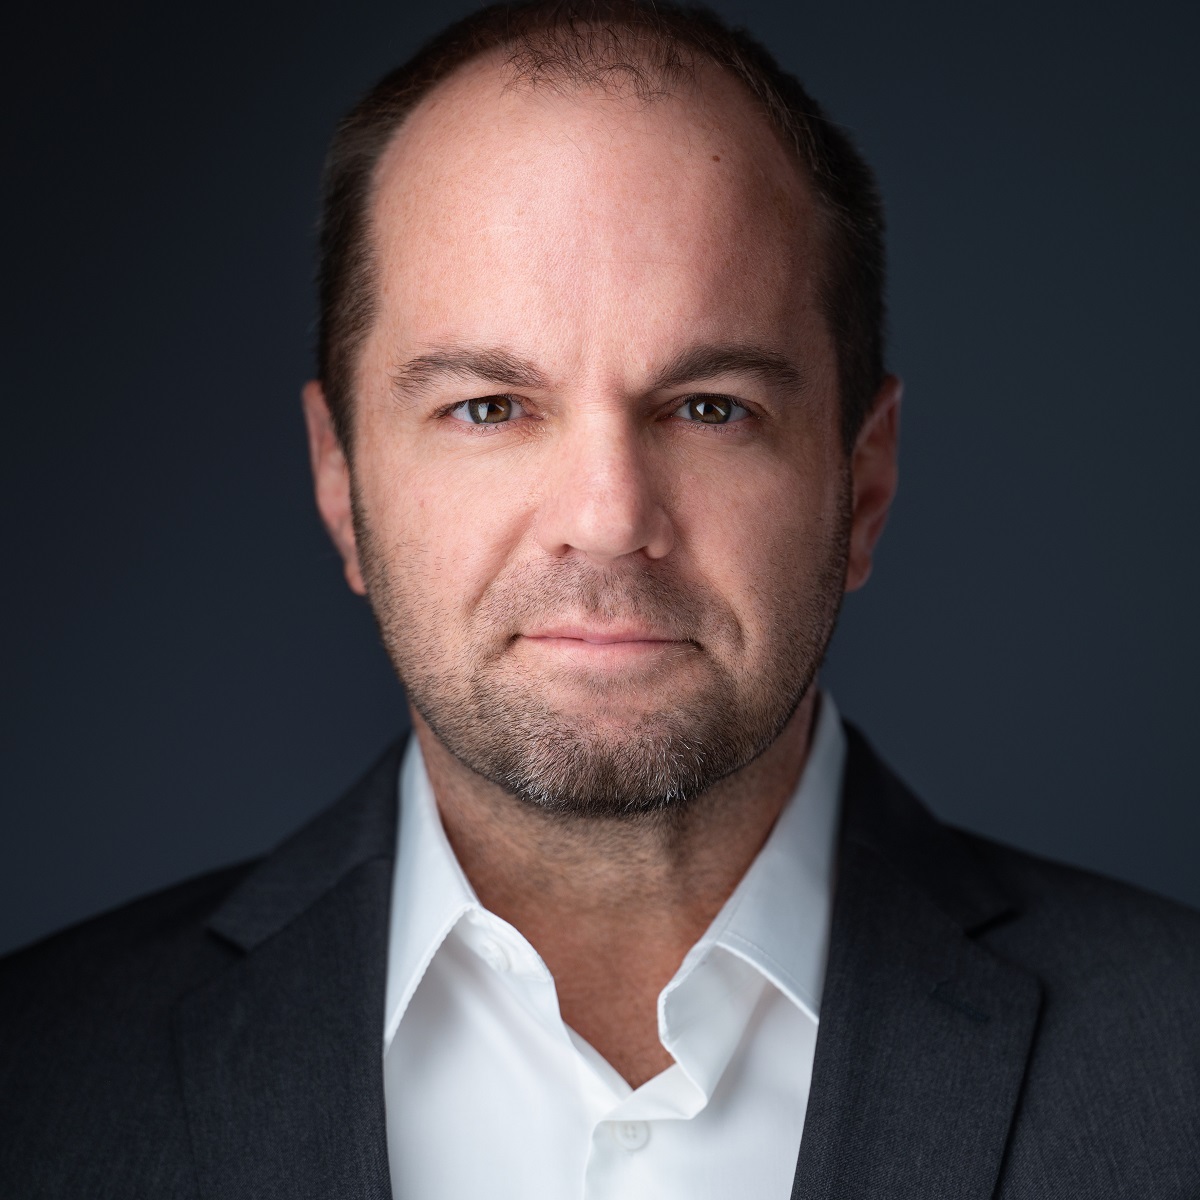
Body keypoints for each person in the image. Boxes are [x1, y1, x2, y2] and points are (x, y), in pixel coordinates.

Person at [1, 1, 1197, 1195]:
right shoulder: (41, 1083)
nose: (610, 517)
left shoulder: (1172, 1066)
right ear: (338, 477)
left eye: (712, 406)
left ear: (864, 482)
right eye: (488, 407)